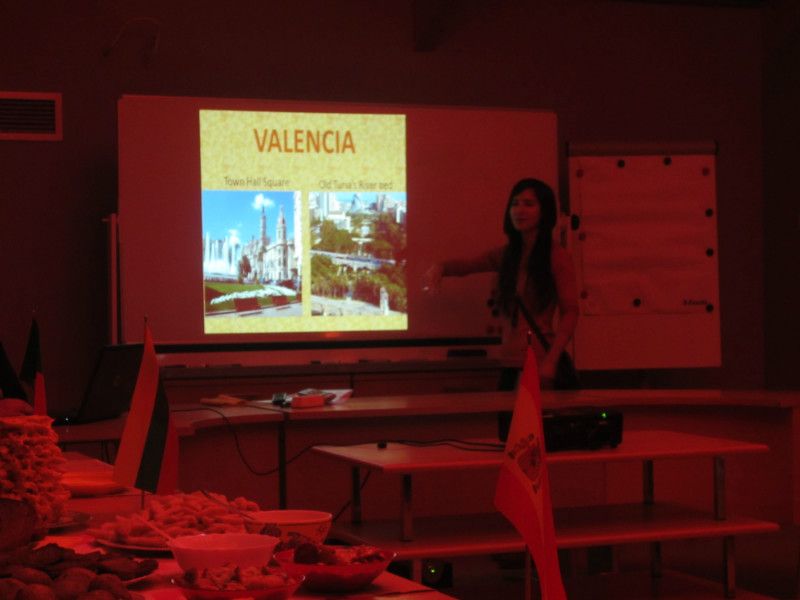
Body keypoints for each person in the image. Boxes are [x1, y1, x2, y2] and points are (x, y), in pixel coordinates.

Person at [423, 178, 579, 387]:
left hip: (539, 360)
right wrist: (441, 267)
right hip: (509, 361)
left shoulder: (556, 256)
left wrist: (552, 360)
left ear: (545, 211)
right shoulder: (508, 255)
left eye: (528, 204)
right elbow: (469, 265)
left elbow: (570, 312)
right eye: (515, 204)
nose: (519, 210)